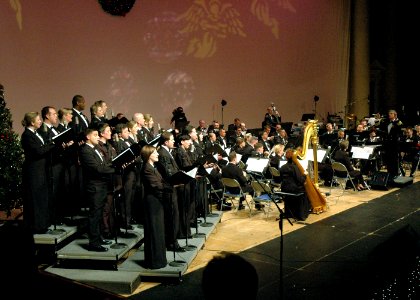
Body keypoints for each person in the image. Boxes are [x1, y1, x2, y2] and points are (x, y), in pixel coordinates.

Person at [79, 128, 115, 252]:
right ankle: (93, 243)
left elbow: (103, 165)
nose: (98, 137)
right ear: (88, 137)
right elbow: (97, 169)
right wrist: (114, 169)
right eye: (95, 135)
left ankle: (98, 238)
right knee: (94, 215)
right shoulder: (85, 150)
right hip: (95, 187)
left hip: (101, 185)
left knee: (99, 214)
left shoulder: (94, 149)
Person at [21, 112, 56, 234]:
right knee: (36, 199)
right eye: (38, 119)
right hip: (34, 171)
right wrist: (52, 144)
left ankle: (43, 224)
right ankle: (36, 226)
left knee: (42, 197)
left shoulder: (37, 133)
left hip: (41, 169)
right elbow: (37, 151)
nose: (41, 121)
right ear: (31, 122)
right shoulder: (26, 135)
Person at [140, 145, 169, 269]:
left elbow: (160, 183)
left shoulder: (153, 167)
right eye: (155, 153)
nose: (157, 154)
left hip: (157, 201)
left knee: (158, 230)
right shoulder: (146, 168)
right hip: (152, 203)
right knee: (154, 230)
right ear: (148, 155)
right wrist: (172, 185)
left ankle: (159, 260)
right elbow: (156, 185)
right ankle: (154, 262)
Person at [279, 149, 311, 221]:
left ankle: (289, 212)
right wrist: (305, 175)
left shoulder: (282, 167)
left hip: (284, 189)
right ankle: (300, 214)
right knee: (305, 191)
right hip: (294, 190)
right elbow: (301, 180)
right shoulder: (295, 168)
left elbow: (280, 179)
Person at [379, 109, 403, 178]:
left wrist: (396, 121)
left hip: (394, 144)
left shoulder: (398, 122)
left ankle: (395, 174)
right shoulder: (387, 122)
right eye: (389, 113)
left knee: (394, 160)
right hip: (388, 144)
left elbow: (399, 131)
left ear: (395, 115)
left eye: (391, 113)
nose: (389, 114)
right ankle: (389, 174)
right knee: (388, 160)